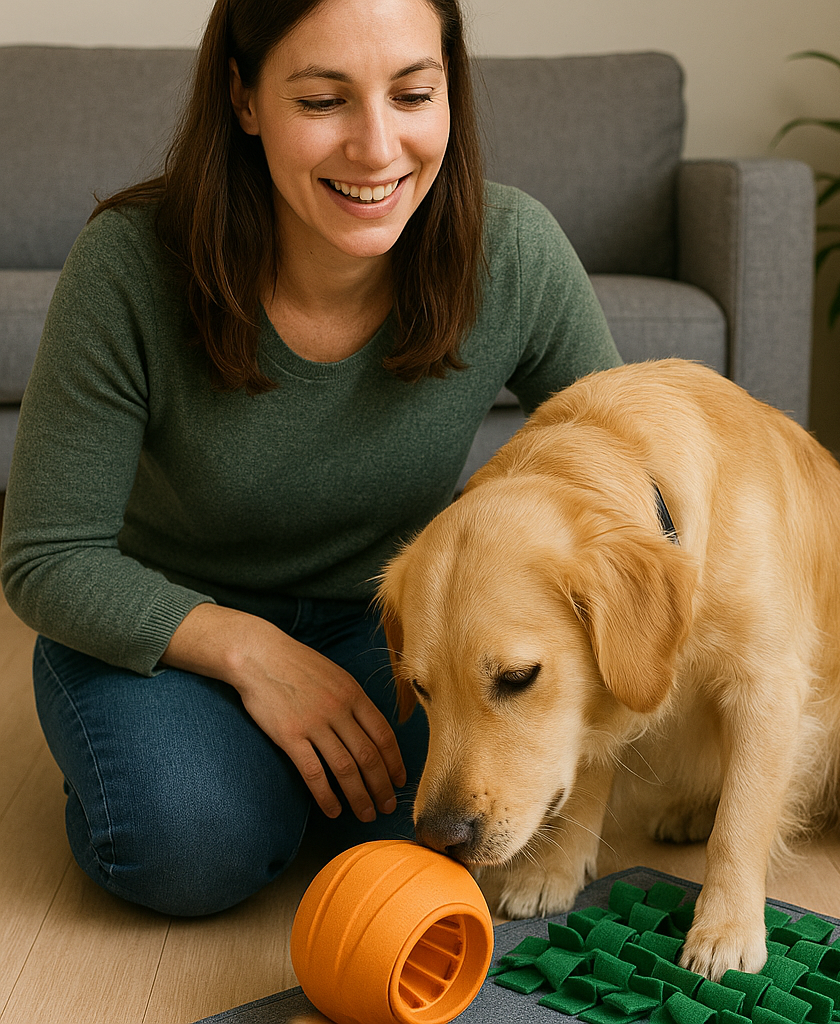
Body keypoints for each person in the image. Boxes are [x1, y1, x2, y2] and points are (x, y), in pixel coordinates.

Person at [0, 0, 621, 916]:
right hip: (173, 631)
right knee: (189, 845)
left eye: (413, 94)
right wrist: (255, 656)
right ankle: (232, 774)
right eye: (324, 101)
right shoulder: (127, 265)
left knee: (469, 826)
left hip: (394, 639)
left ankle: (283, 786)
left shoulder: (513, 250)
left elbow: (624, 467)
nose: (377, 149)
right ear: (244, 97)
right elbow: (47, 557)